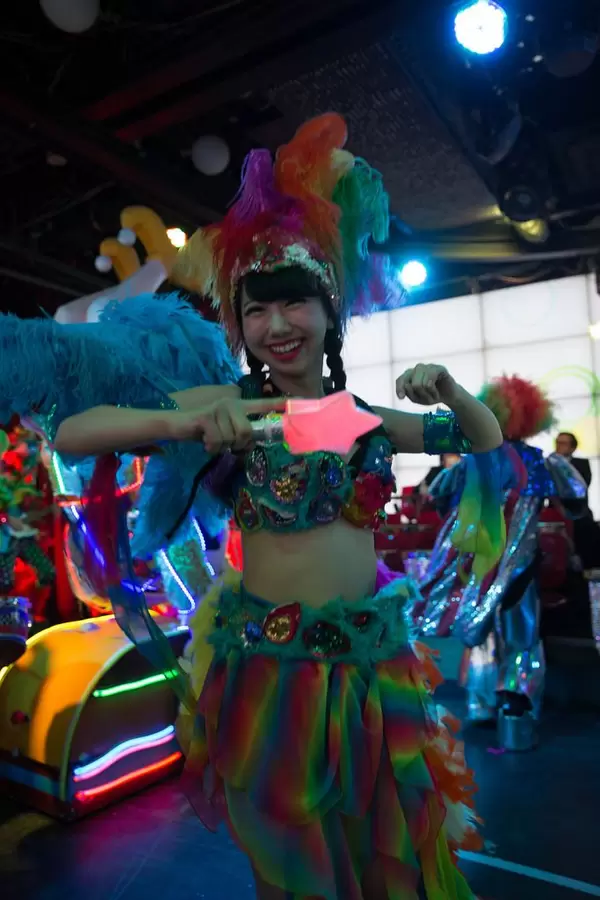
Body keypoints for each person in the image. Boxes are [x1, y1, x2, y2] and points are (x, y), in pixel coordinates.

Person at [0, 114, 502, 899]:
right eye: (256, 312)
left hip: (374, 666)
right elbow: (74, 429)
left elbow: (481, 435)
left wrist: (447, 387)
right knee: (292, 862)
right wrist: (185, 421)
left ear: (329, 312)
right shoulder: (230, 403)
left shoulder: (366, 416)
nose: (276, 327)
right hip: (271, 670)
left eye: (293, 306)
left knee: (387, 849)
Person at [415, 376, 587, 751]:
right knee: (521, 635)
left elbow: (436, 495)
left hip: (476, 565)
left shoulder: (469, 464)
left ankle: (480, 702)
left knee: (481, 633)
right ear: (531, 419)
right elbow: (577, 494)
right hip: (520, 567)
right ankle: (516, 703)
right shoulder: (540, 462)